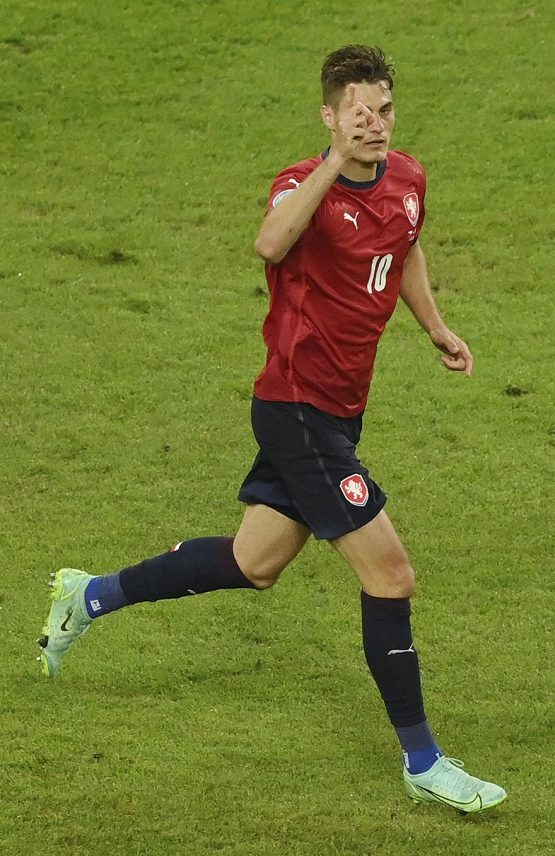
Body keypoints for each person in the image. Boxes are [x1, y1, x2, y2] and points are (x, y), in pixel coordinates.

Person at [38, 45, 506, 815]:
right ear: (328, 115)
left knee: (255, 561)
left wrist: (435, 327)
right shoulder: (302, 186)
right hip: (298, 409)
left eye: (384, 110)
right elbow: (270, 242)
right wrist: (333, 161)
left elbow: (406, 245)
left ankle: (88, 595)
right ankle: (423, 761)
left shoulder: (410, 178)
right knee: (390, 576)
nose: (374, 124)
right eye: (357, 112)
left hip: (338, 411)